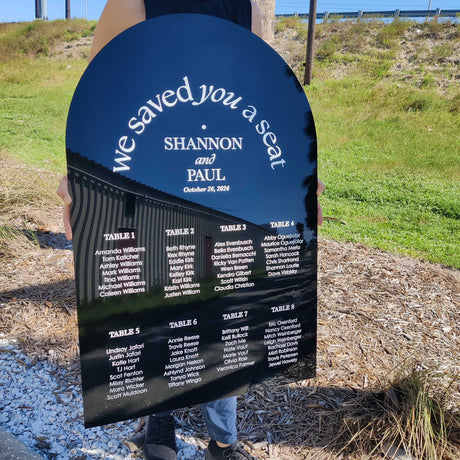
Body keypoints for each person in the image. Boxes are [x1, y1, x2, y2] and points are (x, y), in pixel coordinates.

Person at [57, 2, 325, 459]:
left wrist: (297, 180)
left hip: (227, 177)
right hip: (148, 172)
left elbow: (261, 98)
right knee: (162, 299)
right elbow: (102, 92)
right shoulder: (131, 2)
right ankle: (160, 423)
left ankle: (222, 440)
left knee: (222, 302)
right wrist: (77, 179)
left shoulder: (253, 5)